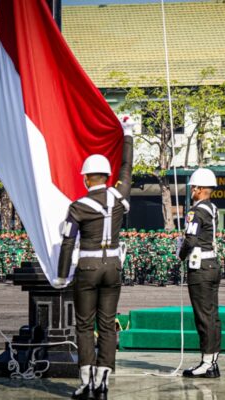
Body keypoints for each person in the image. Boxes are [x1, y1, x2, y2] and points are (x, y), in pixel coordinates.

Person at [53, 116, 134, 400]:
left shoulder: (79, 206)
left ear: (86, 178)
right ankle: (103, 382)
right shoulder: (119, 198)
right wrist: (128, 134)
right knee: (108, 323)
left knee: (85, 325)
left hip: (87, 269)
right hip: (113, 267)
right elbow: (127, 167)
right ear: (108, 177)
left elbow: (67, 242)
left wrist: (61, 275)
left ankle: (86, 382)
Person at [177, 168, 221, 378]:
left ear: (200, 189)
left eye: (194, 187)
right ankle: (212, 361)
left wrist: (180, 254)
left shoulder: (196, 212)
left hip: (200, 267)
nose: (192, 190)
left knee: (203, 317)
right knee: (212, 316)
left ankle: (207, 363)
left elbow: (191, 239)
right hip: (211, 264)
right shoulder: (213, 208)